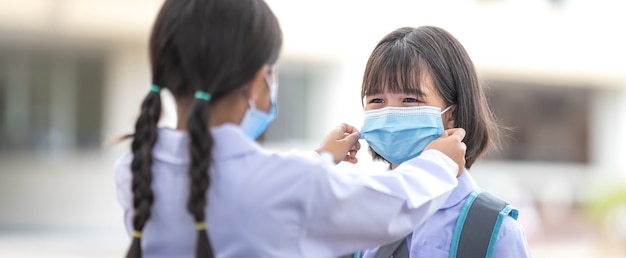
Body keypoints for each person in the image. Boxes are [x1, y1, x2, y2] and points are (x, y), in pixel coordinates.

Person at [114, 1, 468, 258]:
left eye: (409, 100)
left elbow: (255, 191)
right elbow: (394, 205)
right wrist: (439, 163)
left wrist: (317, 162)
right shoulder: (289, 184)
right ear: (257, 82)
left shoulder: (134, 171)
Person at [351, 26, 532, 257]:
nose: (389, 113)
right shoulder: (355, 216)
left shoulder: (494, 232)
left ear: (451, 114)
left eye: (410, 99)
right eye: (377, 99)